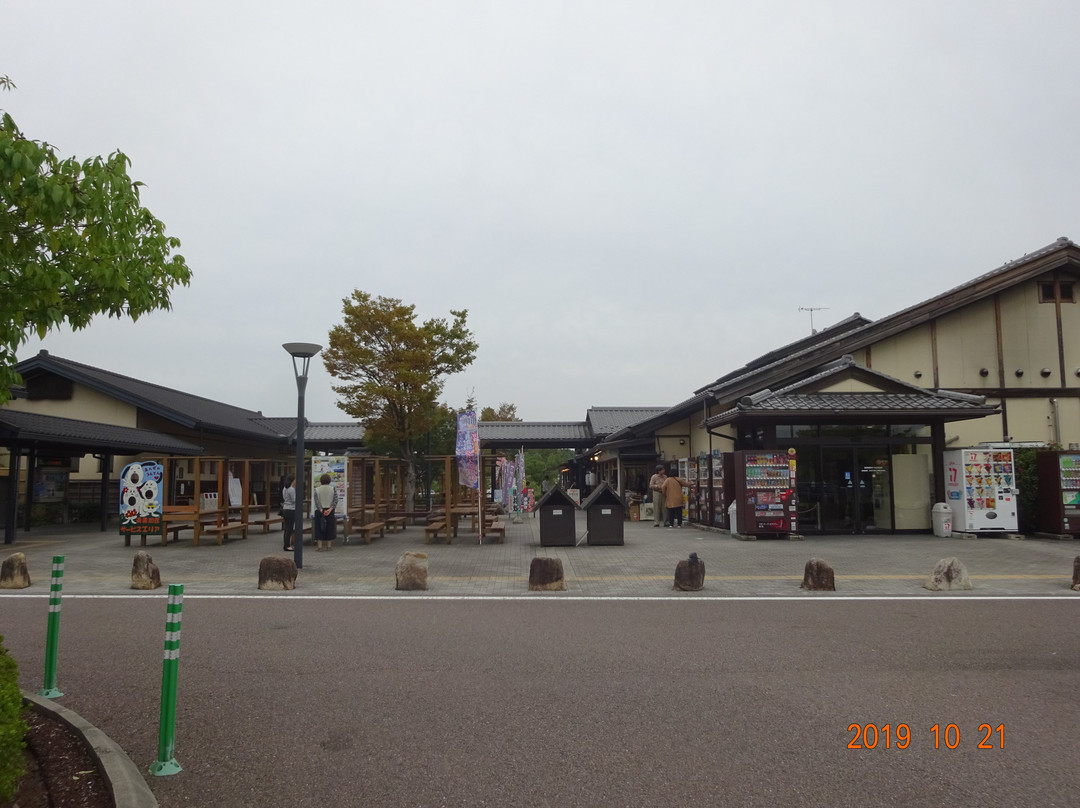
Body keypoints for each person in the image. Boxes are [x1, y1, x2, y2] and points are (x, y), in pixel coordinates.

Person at [313, 473, 338, 551]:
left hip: (319, 511)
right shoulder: (333, 489)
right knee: (330, 527)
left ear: (321, 481)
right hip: (330, 510)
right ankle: (329, 546)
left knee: (319, 527)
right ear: (329, 481)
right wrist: (330, 509)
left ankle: (319, 546)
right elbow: (335, 500)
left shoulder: (317, 489)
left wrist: (321, 509)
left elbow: (316, 501)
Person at [281, 475, 296, 551]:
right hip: (291, 509)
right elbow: (294, 500)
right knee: (289, 528)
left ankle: (286, 544)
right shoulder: (291, 489)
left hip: (285, 508)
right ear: (293, 480)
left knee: (287, 528)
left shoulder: (284, 488)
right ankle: (287, 545)